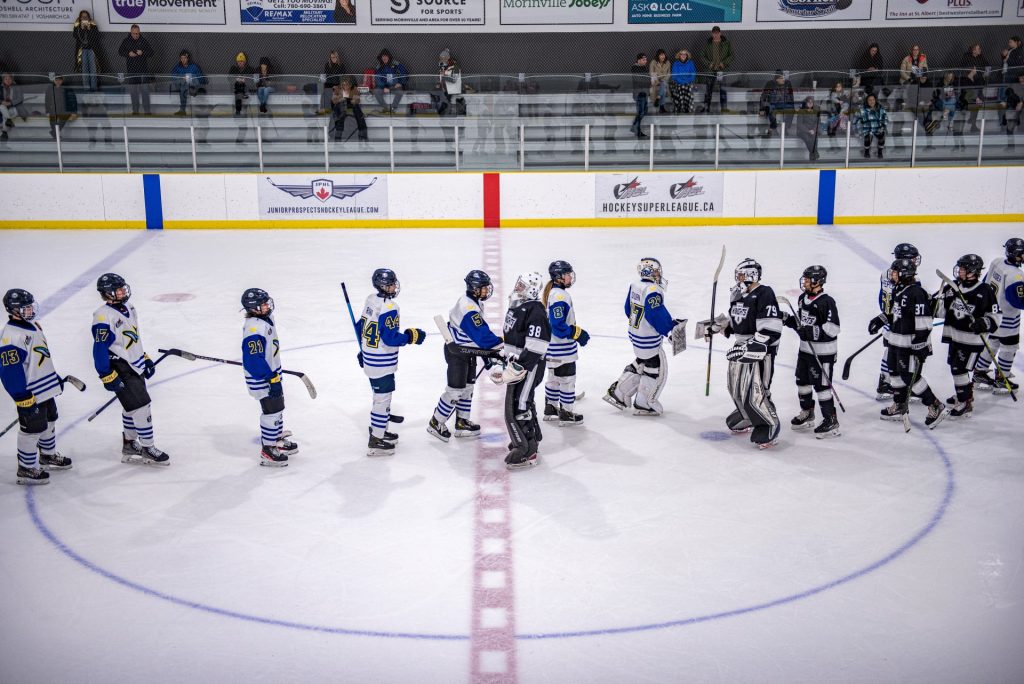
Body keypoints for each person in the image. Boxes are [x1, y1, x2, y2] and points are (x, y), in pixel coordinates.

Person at [702, 259, 783, 449]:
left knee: (757, 389)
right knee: (735, 387)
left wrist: (754, 346)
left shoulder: (765, 293)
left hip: (760, 351)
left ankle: (769, 423)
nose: (737, 279)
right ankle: (748, 414)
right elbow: (737, 319)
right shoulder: (737, 293)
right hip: (740, 348)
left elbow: (772, 328)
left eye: (740, 275)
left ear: (751, 275)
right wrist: (720, 326)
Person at [91, 273, 170, 465]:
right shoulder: (103, 316)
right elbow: (99, 349)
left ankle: (129, 443)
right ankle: (148, 447)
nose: (123, 291)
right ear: (108, 293)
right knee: (142, 407)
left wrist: (144, 357)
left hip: (133, 364)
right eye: (118, 289)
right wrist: (106, 374)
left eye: (122, 287)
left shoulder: (129, 307)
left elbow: (132, 338)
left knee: (131, 408)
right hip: (119, 366)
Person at [1, 289, 73, 485]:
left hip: (44, 388)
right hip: (30, 392)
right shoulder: (11, 337)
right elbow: (10, 372)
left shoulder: (33, 326)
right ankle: (26, 468)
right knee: (31, 429)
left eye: (31, 306)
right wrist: (21, 397)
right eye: (25, 308)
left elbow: (41, 358)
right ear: (13, 310)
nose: (30, 311)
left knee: (50, 419)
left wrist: (54, 378)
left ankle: (47, 455)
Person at [868, 259, 947, 428]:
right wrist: (880, 319)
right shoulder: (899, 289)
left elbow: (924, 321)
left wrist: (920, 345)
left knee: (909, 376)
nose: (892, 274)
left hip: (909, 345)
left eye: (895, 272)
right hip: (895, 341)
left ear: (904, 274)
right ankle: (899, 404)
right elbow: (896, 315)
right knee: (894, 373)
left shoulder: (916, 293)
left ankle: (934, 404)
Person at [427, 271, 503, 442]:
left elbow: (477, 338)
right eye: (483, 288)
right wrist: (498, 346)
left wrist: (489, 358)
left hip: (468, 352)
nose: (487, 290)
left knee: (468, 389)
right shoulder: (468, 307)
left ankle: (461, 422)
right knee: (455, 391)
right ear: (475, 289)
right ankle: (436, 422)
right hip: (458, 354)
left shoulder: (474, 303)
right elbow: (481, 335)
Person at [604, 258, 685, 417]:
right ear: (652, 272)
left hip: (636, 335)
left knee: (642, 362)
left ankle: (620, 392)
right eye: (657, 271)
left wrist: (640, 325)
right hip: (648, 340)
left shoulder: (635, 285)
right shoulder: (653, 290)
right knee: (656, 369)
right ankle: (645, 403)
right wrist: (669, 330)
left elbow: (628, 309)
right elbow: (656, 314)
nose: (659, 274)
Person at [358, 268, 425, 457]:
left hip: (370, 357)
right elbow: (390, 338)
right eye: (391, 284)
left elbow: (360, 326)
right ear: (382, 286)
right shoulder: (390, 306)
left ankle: (379, 430)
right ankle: (376, 440)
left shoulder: (371, 300)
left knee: (379, 397)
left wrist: (362, 350)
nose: (395, 287)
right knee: (382, 400)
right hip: (381, 361)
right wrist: (411, 336)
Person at [933, 255, 1000, 419]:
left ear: (973, 271)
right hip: (954, 337)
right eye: (960, 267)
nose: (960, 271)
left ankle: (964, 402)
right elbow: (942, 310)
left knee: (959, 369)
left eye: (963, 268)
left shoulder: (985, 291)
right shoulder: (954, 286)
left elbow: (996, 316)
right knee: (955, 367)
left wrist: (984, 323)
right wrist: (932, 305)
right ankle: (964, 393)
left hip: (971, 341)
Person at [497, 272, 550, 470]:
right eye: (519, 284)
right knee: (520, 399)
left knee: (520, 403)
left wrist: (520, 367)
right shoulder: (517, 305)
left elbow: (536, 346)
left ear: (533, 289)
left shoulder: (535, 310)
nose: (518, 288)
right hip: (517, 364)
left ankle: (528, 450)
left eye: (523, 286)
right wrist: (505, 358)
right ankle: (529, 437)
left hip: (529, 366)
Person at [240, 288, 298, 467]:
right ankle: (268, 449)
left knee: (278, 406)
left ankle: (276, 439)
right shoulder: (254, 329)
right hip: (262, 377)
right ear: (253, 308)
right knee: (270, 410)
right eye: (263, 303)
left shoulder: (266, 320)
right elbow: (253, 360)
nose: (267, 305)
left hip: (271, 373)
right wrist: (270, 378)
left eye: (267, 302)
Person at [783, 266, 841, 438]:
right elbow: (801, 325)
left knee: (821, 387)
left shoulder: (827, 302)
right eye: (805, 279)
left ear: (818, 282)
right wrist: (788, 319)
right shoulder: (802, 299)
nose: (805, 282)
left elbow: (833, 329)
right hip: (805, 351)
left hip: (823, 354)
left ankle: (831, 420)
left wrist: (811, 332)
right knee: (802, 382)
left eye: (808, 280)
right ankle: (807, 413)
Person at [542, 261, 589, 426]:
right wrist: (577, 333)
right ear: (559, 277)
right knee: (567, 380)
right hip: (562, 349)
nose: (571, 276)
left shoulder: (553, 293)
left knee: (553, 378)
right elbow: (558, 325)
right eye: (568, 274)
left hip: (551, 348)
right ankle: (567, 413)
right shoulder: (561, 296)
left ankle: (551, 408)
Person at [974, 238, 1023, 394]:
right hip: (1007, 320)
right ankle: (1002, 378)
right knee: (1009, 348)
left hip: (992, 315)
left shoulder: (997, 262)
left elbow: (984, 283)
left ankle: (979, 372)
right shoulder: (1016, 275)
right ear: (1014, 255)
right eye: (1020, 254)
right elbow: (1018, 301)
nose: (1022, 257)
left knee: (993, 343)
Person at [876, 243, 921, 400]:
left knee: (890, 350)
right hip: (900, 320)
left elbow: (881, 296)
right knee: (899, 353)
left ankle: (884, 382)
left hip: (889, 317)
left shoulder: (885, 273)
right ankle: (899, 384)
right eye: (913, 259)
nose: (915, 261)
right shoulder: (910, 279)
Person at [117, 25, 152, 116]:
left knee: (145, 91)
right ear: (131, 32)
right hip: (132, 70)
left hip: (143, 70)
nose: (136, 35)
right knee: (133, 91)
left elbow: (151, 52)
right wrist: (128, 53)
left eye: (137, 33)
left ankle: (147, 111)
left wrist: (143, 52)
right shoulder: (126, 41)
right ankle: (135, 110)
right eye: (134, 33)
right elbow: (120, 51)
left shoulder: (143, 41)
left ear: (139, 32)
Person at [698, 26, 733, 112]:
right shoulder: (708, 44)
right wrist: (708, 64)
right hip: (711, 71)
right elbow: (702, 56)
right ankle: (706, 107)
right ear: (712, 33)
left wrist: (724, 63)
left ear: (720, 33)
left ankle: (724, 108)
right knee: (708, 90)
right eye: (714, 33)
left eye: (717, 33)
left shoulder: (726, 43)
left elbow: (732, 55)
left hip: (721, 71)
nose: (716, 34)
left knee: (723, 89)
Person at [330, 78, 368, 142]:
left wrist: (354, 99)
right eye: (344, 84)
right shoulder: (337, 88)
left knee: (357, 110)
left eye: (347, 84)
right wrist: (341, 97)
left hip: (351, 105)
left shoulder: (354, 89)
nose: (346, 85)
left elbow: (357, 100)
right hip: (340, 107)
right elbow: (334, 100)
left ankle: (363, 138)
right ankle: (337, 140)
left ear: (350, 84)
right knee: (342, 107)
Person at [759, 70, 794, 136]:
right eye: (781, 78)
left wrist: (792, 106)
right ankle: (774, 128)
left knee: (791, 109)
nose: (783, 79)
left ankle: (785, 128)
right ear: (776, 79)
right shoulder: (770, 83)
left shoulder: (788, 83)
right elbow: (763, 96)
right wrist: (761, 109)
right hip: (773, 104)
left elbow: (791, 96)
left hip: (784, 104)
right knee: (770, 108)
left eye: (783, 77)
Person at [171, 49, 206, 116]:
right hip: (183, 87)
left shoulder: (194, 67)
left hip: (193, 87)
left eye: (185, 58)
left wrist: (193, 80)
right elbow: (173, 77)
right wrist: (182, 78)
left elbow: (201, 78)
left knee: (191, 81)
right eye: (181, 58)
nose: (183, 60)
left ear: (188, 58)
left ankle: (183, 110)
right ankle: (182, 111)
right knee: (183, 87)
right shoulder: (177, 67)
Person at [373, 49, 408, 114]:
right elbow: (377, 79)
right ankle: (385, 108)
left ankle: (393, 109)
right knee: (376, 91)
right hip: (384, 87)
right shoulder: (379, 67)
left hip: (395, 86)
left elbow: (404, 73)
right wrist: (383, 87)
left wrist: (400, 83)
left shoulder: (396, 64)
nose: (384, 58)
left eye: (386, 56)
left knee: (399, 92)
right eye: (383, 56)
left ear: (389, 57)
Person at [855, 92, 888, 159]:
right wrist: (859, 129)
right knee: (867, 138)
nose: (871, 101)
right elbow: (856, 120)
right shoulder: (862, 109)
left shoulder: (880, 108)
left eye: (873, 100)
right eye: (869, 100)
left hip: (878, 127)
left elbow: (885, 118)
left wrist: (883, 126)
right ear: (867, 101)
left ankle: (880, 152)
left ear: (875, 100)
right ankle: (867, 152)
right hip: (867, 128)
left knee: (881, 137)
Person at [73, 10, 99, 92]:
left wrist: (89, 28)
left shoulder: (93, 25)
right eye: (82, 17)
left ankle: (94, 89)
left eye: (86, 16)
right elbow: (74, 36)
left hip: (91, 50)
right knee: (84, 70)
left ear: (89, 17)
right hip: (82, 50)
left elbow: (96, 36)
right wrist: (80, 28)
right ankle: (86, 89)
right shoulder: (77, 26)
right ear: (80, 18)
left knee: (93, 70)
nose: (84, 18)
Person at [44, 74, 77, 139]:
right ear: (54, 81)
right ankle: (55, 134)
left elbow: (73, 99)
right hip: (54, 108)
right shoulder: (50, 88)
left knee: (64, 117)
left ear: (62, 80)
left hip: (64, 109)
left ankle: (54, 133)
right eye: (56, 80)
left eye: (59, 80)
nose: (58, 82)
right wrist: (47, 110)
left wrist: (74, 111)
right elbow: (47, 100)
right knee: (52, 121)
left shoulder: (67, 88)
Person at [433, 48, 462, 116]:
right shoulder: (443, 68)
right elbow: (439, 79)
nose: (442, 60)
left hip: (452, 91)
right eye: (441, 58)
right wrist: (438, 80)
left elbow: (453, 80)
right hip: (444, 91)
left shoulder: (455, 68)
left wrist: (443, 76)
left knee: (445, 102)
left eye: (444, 58)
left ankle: (446, 111)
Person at [669, 49, 697, 115]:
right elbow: (674, 76)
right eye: (682, 54)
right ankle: (680, 109)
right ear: (679, 55)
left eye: (685, 54)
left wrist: (686, 81)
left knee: (689, 88)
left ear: (687, 55)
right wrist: (682, 82)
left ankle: (689, 109)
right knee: (679, 88)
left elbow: (693, 75)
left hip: (688, 82)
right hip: (678, 82)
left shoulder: (691, 63)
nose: (683, 55)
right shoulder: (676, 64)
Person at [1, 73, 27, 141]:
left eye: (9, 78)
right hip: (3, 106)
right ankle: (9, 120)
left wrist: (11, 103)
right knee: (2, 107)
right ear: (3, 80)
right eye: (6, 79)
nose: (8, 80)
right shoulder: (0, 87)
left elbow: (20, 98)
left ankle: (4, 132)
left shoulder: (17, 87)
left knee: (6, 114)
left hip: (14, 106)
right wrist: (2, 102)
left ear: (12, 79)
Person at [795, 96, 821, 161]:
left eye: (812, 102)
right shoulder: (801, 111)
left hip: (813, 130)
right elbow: (799, 124)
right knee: (807, 138)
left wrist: (814, 130)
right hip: (803, 131)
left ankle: (812, 155)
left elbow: (818, 122)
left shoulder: (816, 109)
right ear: (806, 103)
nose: (810, 104)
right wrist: (808, 131)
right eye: (808, 102)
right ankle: (815, 152)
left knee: (814, 137)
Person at [630, 53, 649, 138]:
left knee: (644, 111)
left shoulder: (644, 67)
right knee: (641, 112)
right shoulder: (635, 67)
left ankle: (635, 127)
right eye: (644, 59)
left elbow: (647, 79)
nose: (645, 61)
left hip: (644, 92)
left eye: (646, 59)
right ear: (639, 60)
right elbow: (639, 79)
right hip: (639, 93)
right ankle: (636, 129)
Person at [229, 52, 254, 116]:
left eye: (241, 61)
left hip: (246, 87)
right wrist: (236, 79)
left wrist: (245, 80)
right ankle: (238, 109)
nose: (240, 62)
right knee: (238, 90)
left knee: (238, 91)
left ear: (245, 62)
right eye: (238, 61)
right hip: (237, 88)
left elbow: (252, 79)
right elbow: (229, 78)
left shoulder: (249, 69)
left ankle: (238, 110)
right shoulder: (233, 69)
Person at [649, 49, 670, 113]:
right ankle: (662, 107)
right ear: (658, 56)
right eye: (661, 55)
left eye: (663, 55)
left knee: (663, 84)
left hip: (664, 81)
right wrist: (658, 80)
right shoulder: (653, 62)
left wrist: (663, 80)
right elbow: (651, 73)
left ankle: (658, 98)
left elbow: (669, 74)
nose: (663, 56)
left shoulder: (668, 63)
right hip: (655, 81)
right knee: (663, 87)